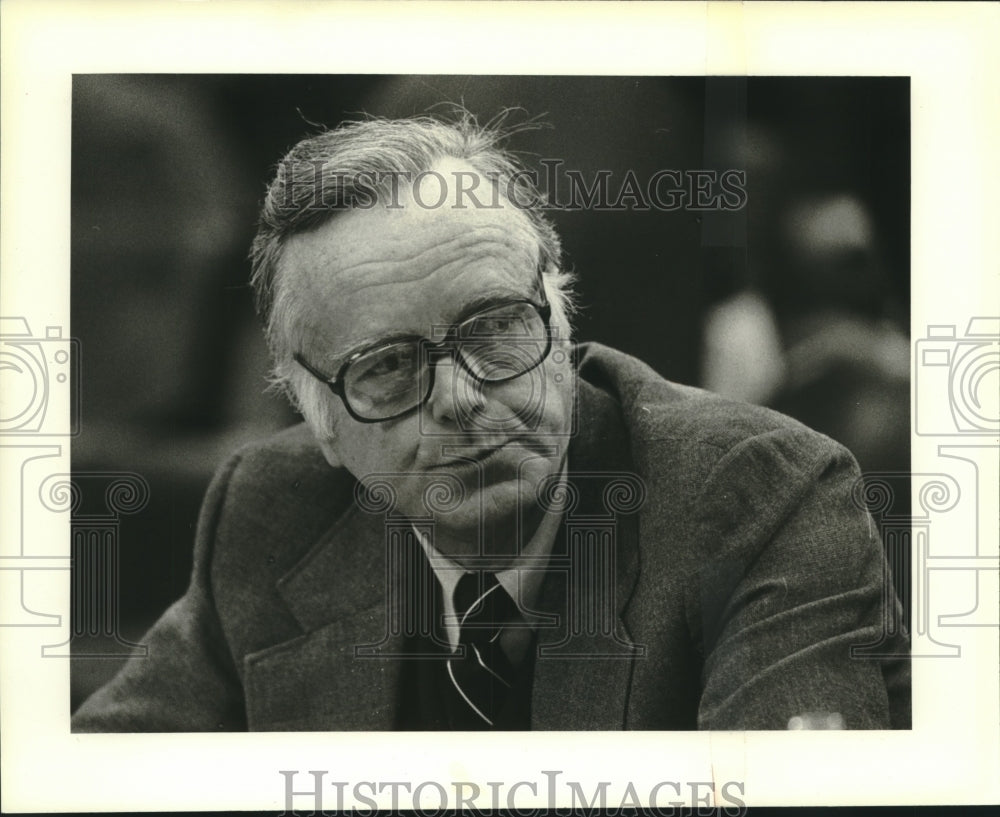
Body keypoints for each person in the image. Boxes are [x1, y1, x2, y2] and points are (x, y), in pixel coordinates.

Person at [72, 114, 910, 732]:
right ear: (319, 416)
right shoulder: (270, 507)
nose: (462, 397)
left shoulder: (764, 496)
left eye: (497, 328)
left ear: (562, 317)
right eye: (388, 366)